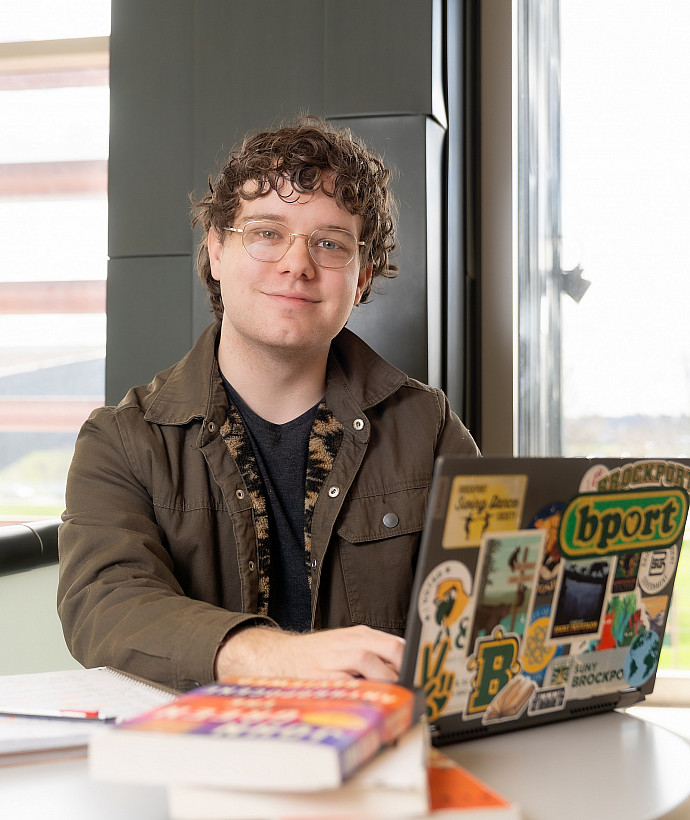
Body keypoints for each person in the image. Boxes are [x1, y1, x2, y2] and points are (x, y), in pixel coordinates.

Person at [57, 117, 479, 691]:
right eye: (266, 232)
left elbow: (486, 609)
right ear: (215, 251)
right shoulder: (122, 441)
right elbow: (105, 604)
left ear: (361, 278)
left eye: (330, 243)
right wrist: (275, 658)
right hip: (199, 762)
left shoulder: (426, 428)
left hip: (385, 756)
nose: (297, 264)